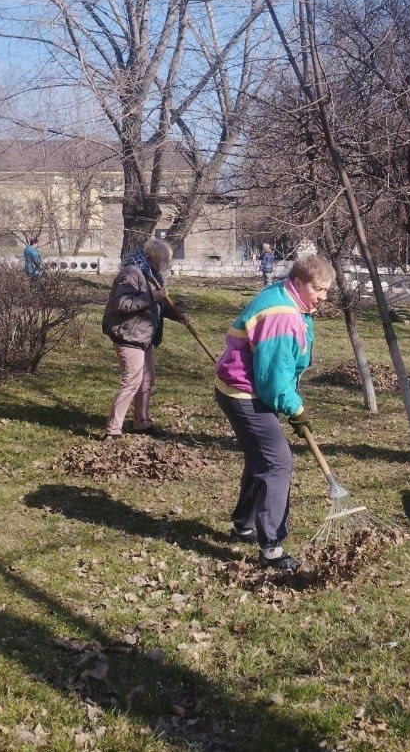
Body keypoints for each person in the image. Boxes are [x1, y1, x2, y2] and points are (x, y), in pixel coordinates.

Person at [214, 253, 334, 573]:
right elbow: (274, 382)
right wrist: (295, 409)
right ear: (298, 282)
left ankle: (244, 524)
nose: (323, 297)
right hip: (244, 393)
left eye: (326, 290)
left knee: (261, 458)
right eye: (318, 289)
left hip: (238, 387)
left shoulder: (286, 295)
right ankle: (271, 549)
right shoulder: (282, 315)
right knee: (277, 463)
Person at [101, 237, 189, 439]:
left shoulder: (152, 275)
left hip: (144, 335)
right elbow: (122, 303)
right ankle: (113, 429)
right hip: (128, 334)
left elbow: (157, 306)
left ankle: (141, 423)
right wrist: (153, 296)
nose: (165, 264)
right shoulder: (132, 272)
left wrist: (177, 314)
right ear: (156, 257)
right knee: (131, 381)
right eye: (164, 260)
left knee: (147, 380)